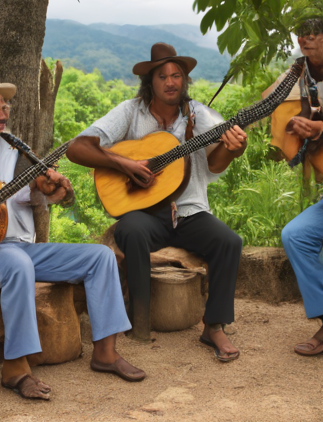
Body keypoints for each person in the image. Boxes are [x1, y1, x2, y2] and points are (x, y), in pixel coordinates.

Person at [0, 72, 145, 399]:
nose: (3, 114)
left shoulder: (11, 147)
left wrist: (45, 189)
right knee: (17, 260)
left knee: (100, 256)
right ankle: (16, 366)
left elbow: (16, 197)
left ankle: (105, 353)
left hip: (16, 247)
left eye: (5, 107)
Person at [66, 43, 247, 362]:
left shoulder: (199, 115)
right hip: (145, 214)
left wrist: (232, 148)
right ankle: (139, 320)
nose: (170, 82)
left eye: (177, 75)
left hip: (190, 212)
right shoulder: (129, 112)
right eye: (162, 76)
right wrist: (125, 165)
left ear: (184, 80)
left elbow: (215, 164)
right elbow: (77, 148)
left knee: (229, 241)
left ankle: (214, 326)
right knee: (132, 231)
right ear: (150, 81)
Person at [271, 17, 323, 356]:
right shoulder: (300, 71)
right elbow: (268, 98)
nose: (307, 39)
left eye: (315, 33)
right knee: (296, 235)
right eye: (302, 35)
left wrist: (318, 127)